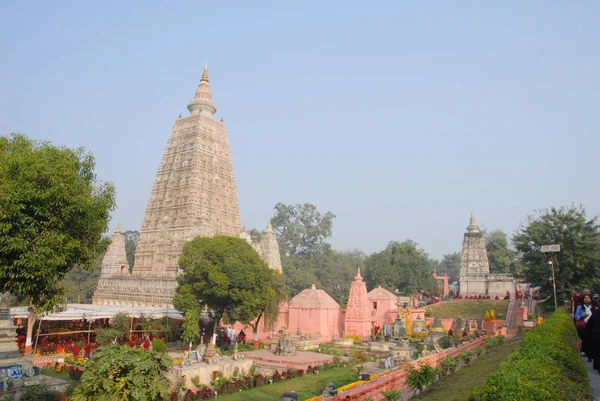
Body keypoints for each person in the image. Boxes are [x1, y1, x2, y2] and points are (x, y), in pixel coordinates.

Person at [576, 294, 595, 360]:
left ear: (590, 299)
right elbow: (576, 317)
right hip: (584, 326)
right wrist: (582, 316)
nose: (586, 299)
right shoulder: (580, 307)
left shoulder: (593, 307)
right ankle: (588, 354)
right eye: (585, 298)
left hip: (593, 326)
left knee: (592, 341)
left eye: (588, 298)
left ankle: (591, 355)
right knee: (586, 341)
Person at [586, 305, 600, 374]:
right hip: (597, 336)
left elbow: (589, 325)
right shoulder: (596, 312)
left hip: (596, 336)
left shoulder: (595, 313)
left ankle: (597, 366)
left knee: (597, 352)